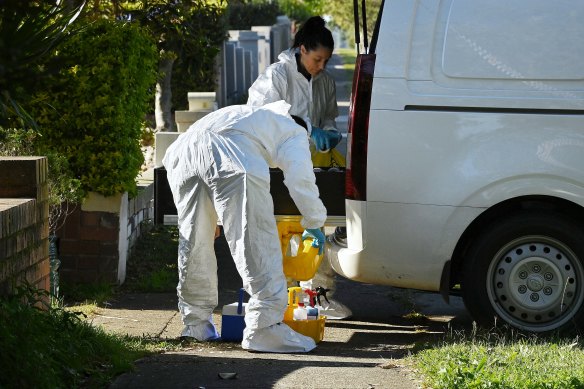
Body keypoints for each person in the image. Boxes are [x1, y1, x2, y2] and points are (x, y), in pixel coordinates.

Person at [162, 101, 327, 353]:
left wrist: (215, 218)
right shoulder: (294, 131)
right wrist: (314, 222)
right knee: (255, 239)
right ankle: (264, 328)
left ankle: (196, 325)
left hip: (183, 154)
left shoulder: (252, 115)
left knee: (194, 244)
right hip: (234, 161)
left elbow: (210, 149)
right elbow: (301, 178)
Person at [247, 16, 352, 320]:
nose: (321, 65)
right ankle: (281, 298)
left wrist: (330, 133)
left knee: (315, 227)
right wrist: (307, 129)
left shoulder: (326, 81)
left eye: (326, 60)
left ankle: (317, 296)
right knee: (282, 231)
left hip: (312, 165)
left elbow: (330, 117)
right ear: (302, 49)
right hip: (278, 164)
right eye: (317, 58)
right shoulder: (277, 76)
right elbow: (262, 114)